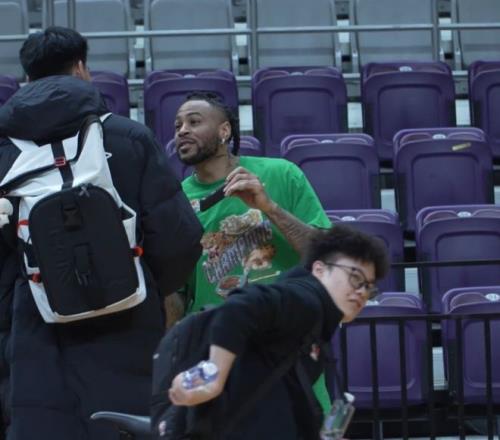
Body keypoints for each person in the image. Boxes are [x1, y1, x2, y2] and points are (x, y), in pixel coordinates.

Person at [0, 26, 203, 440]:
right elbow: (180, 238)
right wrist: (139, 283)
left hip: (35, 330)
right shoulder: (128, 136)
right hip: (128, 322)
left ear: (27, 78)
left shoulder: (4, 150)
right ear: (81, 69)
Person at [174, 91, 333, 411]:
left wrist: (269, 207)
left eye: (194, 121)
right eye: (177, 125)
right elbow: (177, 291)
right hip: (216, 348)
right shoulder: (175, 200)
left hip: (286, 340)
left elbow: (326, 256)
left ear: (224, 131)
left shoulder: (281, 174)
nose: (182, 131)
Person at [168, 224, 389, 440]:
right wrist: (213, 375)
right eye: (355, 277)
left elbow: (286, 399)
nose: (362, 292)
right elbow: (237, 307)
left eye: (368, 286)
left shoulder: (316, 323)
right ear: (319, 270)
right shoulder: (307, 301)